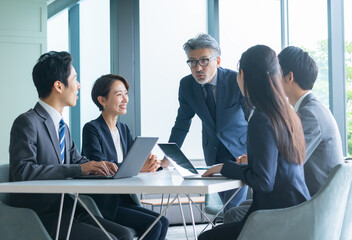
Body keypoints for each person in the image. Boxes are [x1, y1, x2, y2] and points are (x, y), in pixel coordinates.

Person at [8, 51, 132, 240]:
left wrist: (102, 168)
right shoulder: (27, 122)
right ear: (59, 86)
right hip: (41, 215)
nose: (79, 86)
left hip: (69, 209)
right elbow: (22, 171)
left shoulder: (62, 127)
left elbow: (79, 161)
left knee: (124, 234)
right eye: (75, 79)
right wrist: (80, 169)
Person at [198, 45, 310, 240]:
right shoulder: (287, 113)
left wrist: (225, 167)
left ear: (242, 75)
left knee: (206, 238)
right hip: (298, 212)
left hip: (275, 219)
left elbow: (263, 181)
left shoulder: (261, 117)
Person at [224, 46, 345, 224]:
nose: (271, 77)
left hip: (311, 203)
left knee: (235, 214)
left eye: (276, 72)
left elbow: (289, 161)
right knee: (240, 210)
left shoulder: (309, 114)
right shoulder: (307, 109)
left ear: (289, 77)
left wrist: (248, 162)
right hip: (306, 196)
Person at [162, 33, 249, 211]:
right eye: (192, 62)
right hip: (213, 154)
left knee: (232, 207)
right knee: (228, 207)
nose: (198, 67)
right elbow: (181, 124)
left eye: (204, 61)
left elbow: (252, 117)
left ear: (217, 61)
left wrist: (256, 152)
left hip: (240, 154)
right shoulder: (187, 85)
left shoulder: (235, 81)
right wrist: (168, 158)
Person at [81, 74, 169, 240]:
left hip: (124, 198)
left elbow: (132, 162)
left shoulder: (123, 129)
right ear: (102, 100)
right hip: (105, 203)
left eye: (125, 93)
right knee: (155, 225)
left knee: (163, 221)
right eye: (119, 94)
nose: (125, 99)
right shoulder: (92, 129)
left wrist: (152, 164)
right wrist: (137, 166)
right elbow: (100, 167)